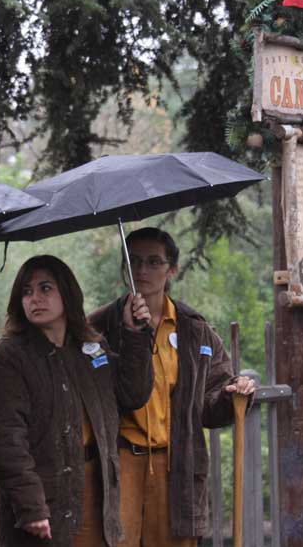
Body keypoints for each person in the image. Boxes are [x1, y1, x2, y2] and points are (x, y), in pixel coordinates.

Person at [88, 228, 257, 547]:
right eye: (134, 261)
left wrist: (232, 393)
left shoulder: (194, 329)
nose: (142, 270)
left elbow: (212, 403)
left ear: (172, 270)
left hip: (175, 463)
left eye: (154, 262)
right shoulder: (99, 327)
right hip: (119, 459)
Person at [0, 255, 154, 547]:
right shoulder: (7, 359)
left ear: (67, 293)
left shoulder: (90, 349)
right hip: (45, 503)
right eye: (27, 291)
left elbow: (133, 394)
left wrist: (136, 334)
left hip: (97, 496)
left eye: (45, 288)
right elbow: (7, 443)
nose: (35, 298)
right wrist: (31, 507)